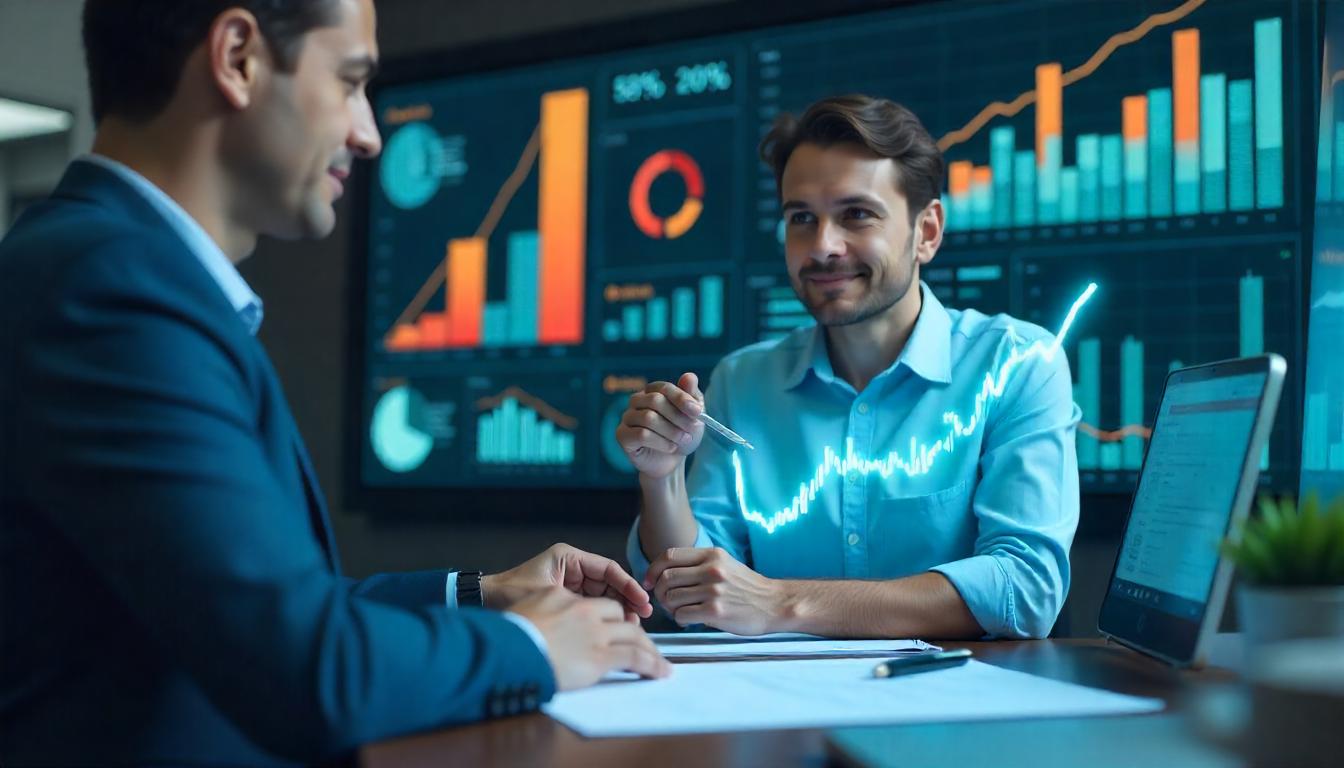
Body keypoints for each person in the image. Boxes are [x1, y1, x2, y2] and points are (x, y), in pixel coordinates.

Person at [0, 1, 668, 765]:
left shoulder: (103, 271)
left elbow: (255, 611)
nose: (369, 133)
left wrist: (482, 594)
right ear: (238, 57)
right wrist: (531, 646)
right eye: (351, 82)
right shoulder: (114, 293)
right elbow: (307, 670)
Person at [617, 94, 1080, 641]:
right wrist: (662, 477)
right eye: (801, 219)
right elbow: (687, 596)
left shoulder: (1019, 363)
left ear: (927, 232)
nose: (823, 246)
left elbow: (1025, 588)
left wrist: (782, 602)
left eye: (856, 214)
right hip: (775, 710)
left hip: (948, 711)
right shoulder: (742, 382)